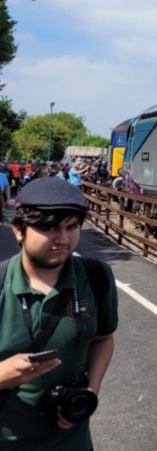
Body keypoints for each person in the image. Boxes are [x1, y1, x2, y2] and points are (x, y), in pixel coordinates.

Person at [0, 178, 119, 450]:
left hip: (73, 442)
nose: (63, 240)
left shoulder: (97, 277)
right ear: (18, 230)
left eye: (72, 227)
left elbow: (103, 338)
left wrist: (91, 389)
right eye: (49, 228)